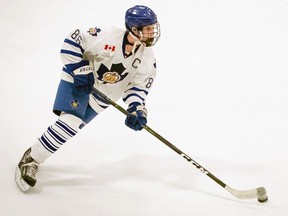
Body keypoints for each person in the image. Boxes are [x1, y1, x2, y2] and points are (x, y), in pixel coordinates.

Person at [15, 5, 161, 192]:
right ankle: (31, 159)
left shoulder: (147, 57)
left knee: (68, 130)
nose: (152, 32)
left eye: (153, 27)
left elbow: (138, 86)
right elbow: (72, 40)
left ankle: (34, 153)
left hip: (103, 97)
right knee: (69, 122)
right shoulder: (106, 35)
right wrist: (79, 68)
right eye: (147, 28)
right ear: (134, 29)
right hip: (78, 81)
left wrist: (136, 108)